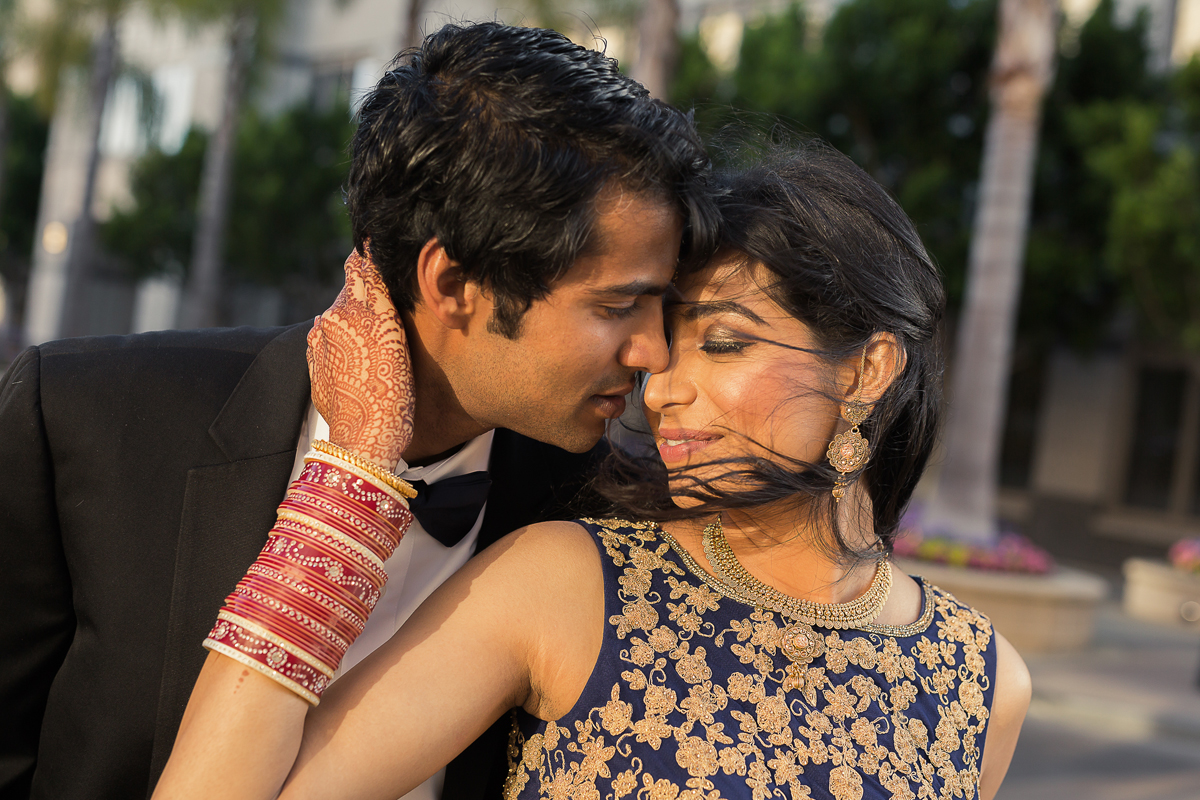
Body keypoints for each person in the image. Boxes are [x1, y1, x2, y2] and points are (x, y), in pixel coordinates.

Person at [155, 143, 1031, 800]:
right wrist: (349, 477)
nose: (666, 391)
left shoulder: (984, 681)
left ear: (866, 370)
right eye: (663, 348)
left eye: (722, 343)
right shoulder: (570, 584)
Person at [0, 22, 717, 800]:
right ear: (452, 282)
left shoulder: (621, 519)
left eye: (663, 308)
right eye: (618, 306)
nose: (655, 352)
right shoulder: (86, 423)